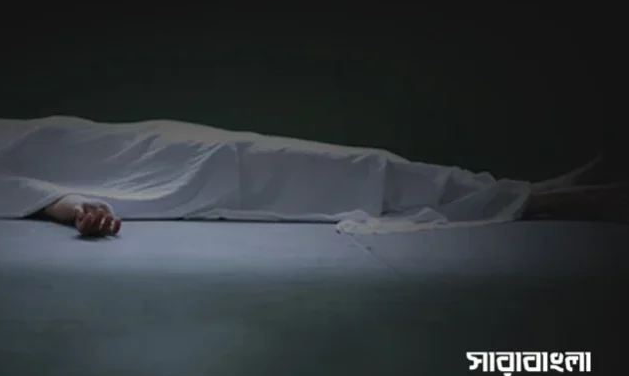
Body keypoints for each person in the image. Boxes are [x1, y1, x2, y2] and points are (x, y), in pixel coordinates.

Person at [38, 153, 627, 237]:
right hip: (163, 172)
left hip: (154, 146)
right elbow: (25, 191)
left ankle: (525, 191)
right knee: (327, 177)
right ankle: (540, 201)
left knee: (356, 163)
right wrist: (79, 211)